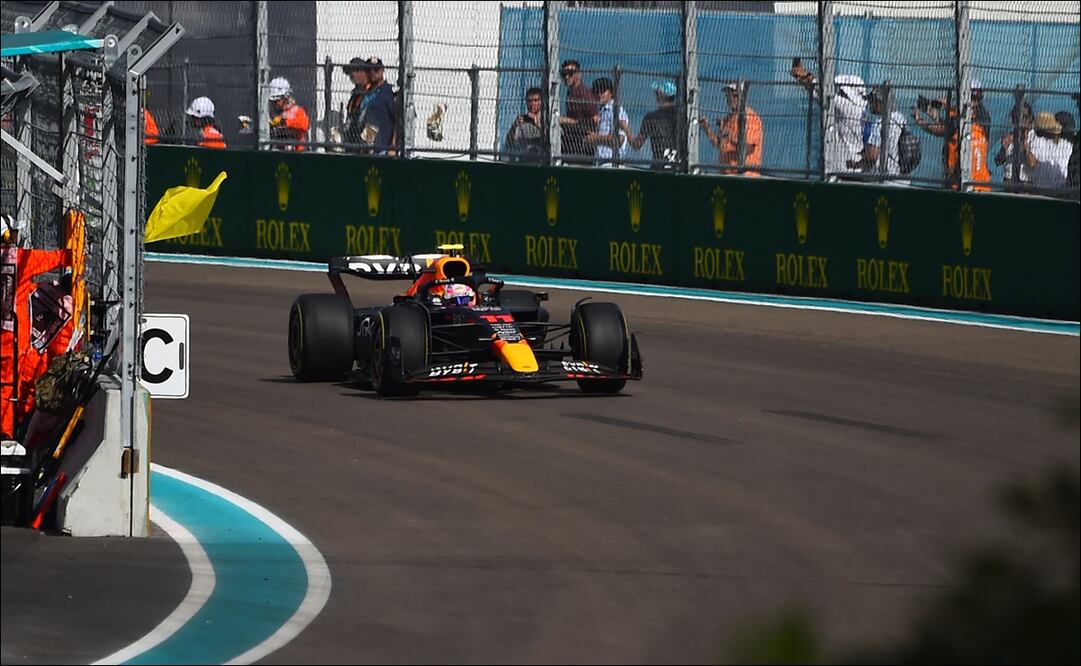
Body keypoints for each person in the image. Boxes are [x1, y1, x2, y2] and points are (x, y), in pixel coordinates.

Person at [790, 64, 867, 177]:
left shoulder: (853, 108)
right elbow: (818, 94)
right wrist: (802, 79)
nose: (837, 92)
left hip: (848, 165)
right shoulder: (854, 107)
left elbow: (824, 91)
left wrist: (806, 74)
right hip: (842, 165)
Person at [911, 80, 990, 191]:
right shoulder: (983, 116)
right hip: (981, 182)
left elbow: (942, 129)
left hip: (959, 181)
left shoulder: (964, 118)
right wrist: (937, 113)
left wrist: (920, 120)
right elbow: (951, 127)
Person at [698, 82, 763, 176]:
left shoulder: (750, 118)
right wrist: (707, 128)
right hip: (727, 174)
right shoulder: (730, 118)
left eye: (733, 95)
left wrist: (730, 136)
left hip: (745, 176)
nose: (729, 99)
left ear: (741, 97)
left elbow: (748, 149)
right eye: (727, 95)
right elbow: (721, 145)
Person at [849, 86, 909, 186]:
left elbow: (872, 155)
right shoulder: (900, 118)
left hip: (886, 181)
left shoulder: (879, 124)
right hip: (902, 179)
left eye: (872, 101)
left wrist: (855, 164)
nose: (870, 104)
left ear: (880, 102)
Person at [620, 80, 680, 170]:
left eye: (657, 92)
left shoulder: (651, 118)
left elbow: (636, 145)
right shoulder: (682, 117)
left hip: (659, 167)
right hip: (680, 166)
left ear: (660, 95)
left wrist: (626, 129)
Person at [1022, 111, 1072, 191]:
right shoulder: (1069, 145)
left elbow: (1032, 163)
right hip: (1060, 190)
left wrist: (1025, 148)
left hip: (1045, 189)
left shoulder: (1038, 142)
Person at [558, 60, 597, 159]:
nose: (566, 77)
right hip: (572, 136)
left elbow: (595, 120)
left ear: (579, 74)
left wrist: (566, 120)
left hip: (583, 139)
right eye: (564, 74)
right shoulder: (570, 93)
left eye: (570, 73)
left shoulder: (584, 95)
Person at [586, 77, 628, 167]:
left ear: (611, 92)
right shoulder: (600, 111)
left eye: (603, 91)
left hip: (612, 163)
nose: (599, 94)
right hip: (599, 162)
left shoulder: (617, 111)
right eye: (597, 91)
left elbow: (619, 140)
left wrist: (596, 138)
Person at [360, 57, 397, 156]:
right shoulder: (365, 92)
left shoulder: (389, 92)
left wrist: (393, 146)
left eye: (376, 69)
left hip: (383, 149)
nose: (372, 72)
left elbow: (398, 121)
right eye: (369, 70)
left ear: (382, 70)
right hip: (366, 147)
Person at [995, 101, 1035, 190]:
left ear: (1030, 119)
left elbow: (1032, 164)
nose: (1022, 121)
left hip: (1026, 181)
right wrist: (1004, 147)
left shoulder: (1034, 137)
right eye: (1018, 117)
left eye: (1024, 117)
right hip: (1009, 180)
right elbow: (998, 161)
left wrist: (1023, 143)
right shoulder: (1010, 136)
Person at [504, 87, 547, 163]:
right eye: (530, 101)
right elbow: (509, 141)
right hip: (525, 156)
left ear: (541, 102)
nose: (533, 104)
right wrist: (515, 126)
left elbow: (551, 140)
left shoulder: (547, 119)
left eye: (536, 100)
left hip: (542, 155)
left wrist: (538, 123)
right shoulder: (523, 120)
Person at [268, 76, 310, 151]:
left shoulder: (297, 110)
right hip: (278, 149)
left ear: (285, 97)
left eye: (278, 100)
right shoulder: (272, 112)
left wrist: (284, 122)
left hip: (297, 151)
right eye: (273, 101)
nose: (275, 104)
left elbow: (304, 125)